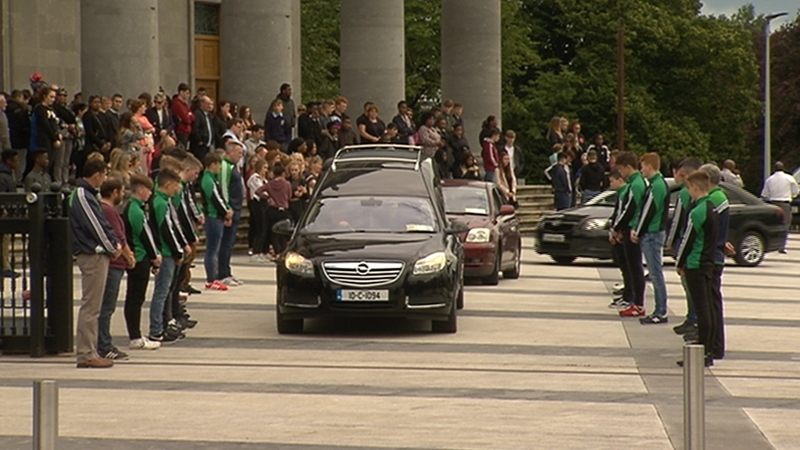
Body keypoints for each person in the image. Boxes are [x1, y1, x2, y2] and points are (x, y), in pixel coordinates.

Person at [69, 158, 122, 368]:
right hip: (92, 253)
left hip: (99, 252)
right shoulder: (82, 195)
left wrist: (114, 243)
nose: (105, 179)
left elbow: (103, 223)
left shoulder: (90, 195)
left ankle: (91, 349)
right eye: (104, 174)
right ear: (97, 175)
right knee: (90, 306)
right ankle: (86, 353)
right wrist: (111, 246)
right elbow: (95, 226)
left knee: (95, 306)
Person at [676, 169, 719, 368]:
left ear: (694, 187)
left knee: (701, 308)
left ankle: (701, 350)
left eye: (689, 188)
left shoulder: (697, 210)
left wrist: (680, 262)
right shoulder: (712, 206)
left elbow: (688, 239)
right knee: (707, 307)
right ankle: (708, 349)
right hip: (708, 261)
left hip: (695, 263)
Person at [97, 177, 136, 360]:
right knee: (106, 307)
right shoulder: (109, 211)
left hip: (114, 264)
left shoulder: (106, 210)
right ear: (114, 192)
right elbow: (119, 237)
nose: (122, 195)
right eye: (121, 191)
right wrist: (129, 256)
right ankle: (103, 344)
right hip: (113, 265)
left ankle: (102, 342)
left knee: (105, 306)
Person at [148, 168, 187, 343]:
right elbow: (166, 229)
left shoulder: (165, 200)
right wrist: (177, 250)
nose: (178, 189)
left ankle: (164, 324)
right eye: (176, 185)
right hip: (165, 252)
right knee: (161, 292)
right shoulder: (160, 202)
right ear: (169, 184)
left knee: (166, 290)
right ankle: (156, 329)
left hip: (169, 251)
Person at [122, 174, 162, 350]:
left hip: (138, 256)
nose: (150, 193)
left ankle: (135, 334)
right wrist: (155, 257)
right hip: (140, 257)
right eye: (148, 190)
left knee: (134, 298)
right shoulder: (135, 210)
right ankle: (135, 336)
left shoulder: (134, 207)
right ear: (140, 190)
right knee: (135, 298)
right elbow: (145, 236)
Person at [632, 153, 670, 325]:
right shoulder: (657, 184)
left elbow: (648, 210)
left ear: (648, 165)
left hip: (653, 233)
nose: (641, 170)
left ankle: (661, 311)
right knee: (655, 273)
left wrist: (638, 231)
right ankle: (659, 309)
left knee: (655, 274)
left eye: (642, 166)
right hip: (653, 232)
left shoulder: (656, 185)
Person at [667, 157, 702, 338]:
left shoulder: (684, 193)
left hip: (684, 240)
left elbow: (678, 219)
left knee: (687, 283)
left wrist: (671, 240)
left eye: (681, 175)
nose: (678, 179)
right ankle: (692, 318)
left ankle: (693, 318)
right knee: (689, 285)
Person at [699, 163, 730, 362]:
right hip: (717, 254)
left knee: (711, 303)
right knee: (713, 302)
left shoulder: (713, 200)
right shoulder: (719, 197)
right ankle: (715, 344)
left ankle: (714, 346)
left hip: (712, 256)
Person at [614, 151, 648, 318]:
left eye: (621, 169)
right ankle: (636, 302)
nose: (620, 173)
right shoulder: (637, 182)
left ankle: (638, 303)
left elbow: (631, 209)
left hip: (632, 229)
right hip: (632, 228)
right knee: (634, 267)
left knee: (635, 268)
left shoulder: (636, 184)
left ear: (628, 167)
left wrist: (618, 227)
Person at [201, 152, 232, 290]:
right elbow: (215, 198)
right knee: (212, 250)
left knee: (214, 249)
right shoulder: (208, 180)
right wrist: (225, 212)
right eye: (218, 165)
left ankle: (214, 277)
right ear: (213, 164)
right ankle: (211, 278)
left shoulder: (213, 179)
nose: (219, 168)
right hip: (213, 217)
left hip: (217, 217)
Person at [218, 141, 245, 286]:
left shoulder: (233, 167)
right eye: (239, 153)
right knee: (225, 243)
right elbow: (223, 189)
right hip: (230, 209)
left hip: (236, 208)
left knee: (229, 243)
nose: (241, 156)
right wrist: (226, 210)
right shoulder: (225, 166)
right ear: (231, 152)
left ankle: (227, 271)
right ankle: (222, 273)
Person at [608, 168, 633, 309]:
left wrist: (616, 230)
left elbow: (622, 214)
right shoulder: (621, 193)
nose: (610, 184)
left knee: (627, 266)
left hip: (623, 233)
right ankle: (627, 293)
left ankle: (629, 295)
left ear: (620, 180)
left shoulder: (625, 193)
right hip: (619, 232)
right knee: (624, 266)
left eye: (612, 181)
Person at [760, 161, 798, 253]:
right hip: (785, 203)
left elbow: (765, 194)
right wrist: (791, 196)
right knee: (785, 224)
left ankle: (770, 245)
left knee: (772, 224)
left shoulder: (769, 179)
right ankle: (782, 246)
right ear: (783, 168)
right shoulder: (789, 178)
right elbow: (795, 191)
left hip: (773, 203)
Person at [262, 163, 293, 256]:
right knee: (283, 232)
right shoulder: (287, 184)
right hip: (283, 209)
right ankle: (283, 251)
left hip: (272, 209)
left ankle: (277, 251)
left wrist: (268, 197)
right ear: (283, 173)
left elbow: (258, 191)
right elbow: (289, 196)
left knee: (273, 232)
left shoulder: (269, 184)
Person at [30, 87, 61, 176]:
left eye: (54, 97)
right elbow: (45, 125)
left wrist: (58, 134)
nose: (53, 100)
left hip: (51, 139)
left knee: (51, 162)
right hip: (42, 139)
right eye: (51, 97)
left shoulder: (50, 109)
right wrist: (54, 139)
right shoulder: (40, 109)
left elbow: (54, 123)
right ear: (44, 96)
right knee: (44, 161)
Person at [52, 87, 77, 184]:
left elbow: (73, 119)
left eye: (64, 95)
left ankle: (65, 180)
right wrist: (67, 125)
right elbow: (56, 121)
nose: (62, 97)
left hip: (70, 135)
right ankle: (58, 180)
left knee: (66, 161)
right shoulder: (54, 108)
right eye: (60, 95)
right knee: (59, 160)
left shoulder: (68, 108)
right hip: (61, 134)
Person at [248, 158, 270, 262]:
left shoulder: (264, 179)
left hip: (265, 203)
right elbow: (259, 190)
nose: (266, 170)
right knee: (259, 228)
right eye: (264, 167)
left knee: (264, 227)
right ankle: (256, 251)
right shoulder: (255, 178)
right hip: (257, 203)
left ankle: (262, 250)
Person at [7, 90, 31, 183]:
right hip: (21, 140)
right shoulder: (20, 110)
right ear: (17, 98)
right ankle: (18, 179)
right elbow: (23, 125)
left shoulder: (7, 110)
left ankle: (13, 179)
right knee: (20, 161)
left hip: (12, 139)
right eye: (22, 98)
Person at [190, 96, 215, 161]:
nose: (209, 106)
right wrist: (199, 140)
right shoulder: (197, 113)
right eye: (207, 104)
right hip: (200, 145)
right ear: (202, 103)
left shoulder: (209, 115)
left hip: (208, 144)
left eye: (210, 104)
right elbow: (195, 128)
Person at [172, 83, 194, 148]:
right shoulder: (177, 104)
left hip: (186, 131)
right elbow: (186, 119)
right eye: (187, 93)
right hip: (181, 131)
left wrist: (189, 115)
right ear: (181, 92)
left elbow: (193, 117)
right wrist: (188, 115)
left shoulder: (185, 104)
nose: (189, 95)